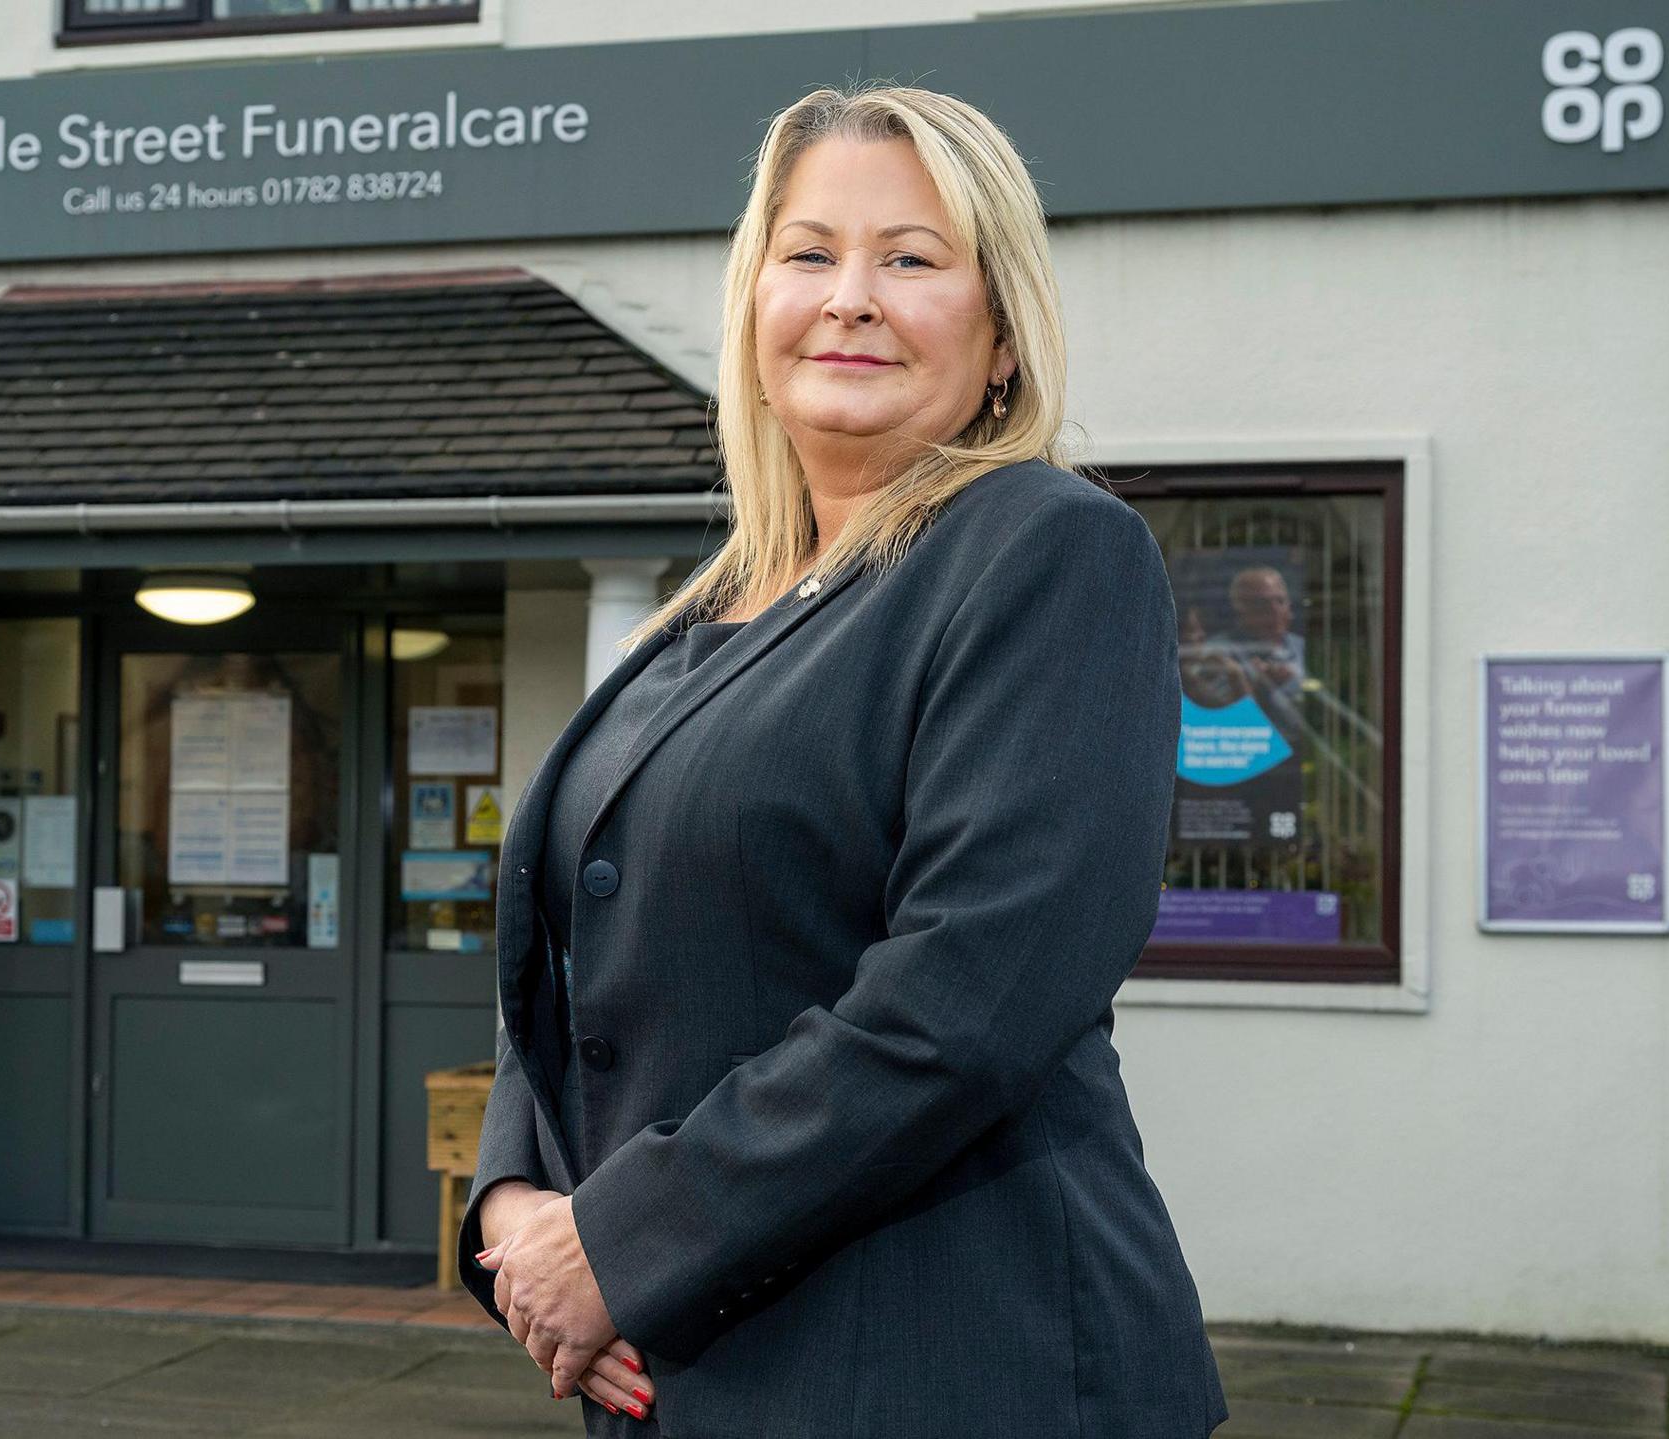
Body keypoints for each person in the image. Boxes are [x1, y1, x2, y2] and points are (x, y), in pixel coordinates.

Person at [459, 82, 1228, 1437]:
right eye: (808, 253)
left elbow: (970, 997)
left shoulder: (1048, 552)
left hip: (953, 1373)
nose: (850, 297)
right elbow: (579, 948)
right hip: (702, 1374)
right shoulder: (709, 615)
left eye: (913, 259)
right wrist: (520, 1201)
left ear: (1000, 337)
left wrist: (625, 1239)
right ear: (754, 305)